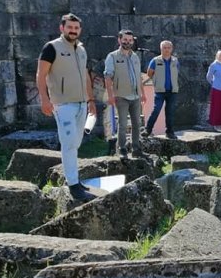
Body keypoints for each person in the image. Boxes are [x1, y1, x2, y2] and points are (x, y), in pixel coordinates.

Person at [36, 13, 96, 201]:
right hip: (62, 105)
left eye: (76, 28)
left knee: (75, 143)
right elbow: (40, 74)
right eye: (70, 27)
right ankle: (73, 185)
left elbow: (86, 75)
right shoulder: (51, 47)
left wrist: (91, 100)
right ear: (62, 28)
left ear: (80, 30)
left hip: (80, 103)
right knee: (69, 143)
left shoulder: (81, 49)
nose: (73, 30)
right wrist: (44, 99)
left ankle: (74, 178)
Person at [104, 29, 146, 159]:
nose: (127, 42)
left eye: (130, 40)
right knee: (122, 124)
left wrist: (143, 93)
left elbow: (138, 77)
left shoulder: (135, 56)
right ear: (119, 40)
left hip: (136, 96)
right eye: (125, 40)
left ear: (132, 41)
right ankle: (121, 149)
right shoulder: (112, 56)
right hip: (121, 95)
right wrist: (110, 95)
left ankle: (136, 149)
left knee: (137, 124)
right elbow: (107, 76)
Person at [144, 40, 179, 139]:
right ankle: (148, 130)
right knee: (156, 110)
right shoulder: (155, 61)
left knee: (170, 112)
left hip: (172, 91)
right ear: (161, 49)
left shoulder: (175, 61)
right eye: (164, 47)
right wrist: (157, 81)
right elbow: (149, 73)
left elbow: (176, 72)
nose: (167, 50)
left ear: (171, 49)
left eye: (168, 48)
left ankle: (170, 132)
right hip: (160, 91)